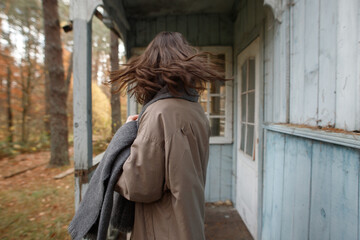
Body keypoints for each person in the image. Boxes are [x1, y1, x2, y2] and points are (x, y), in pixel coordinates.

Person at [108, 31, 227, 240]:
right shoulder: (196, 110)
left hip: (162, 229)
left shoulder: (158, 112)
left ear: (151, 67)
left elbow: (140, 185)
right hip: (189, 223)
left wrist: (122, 141)